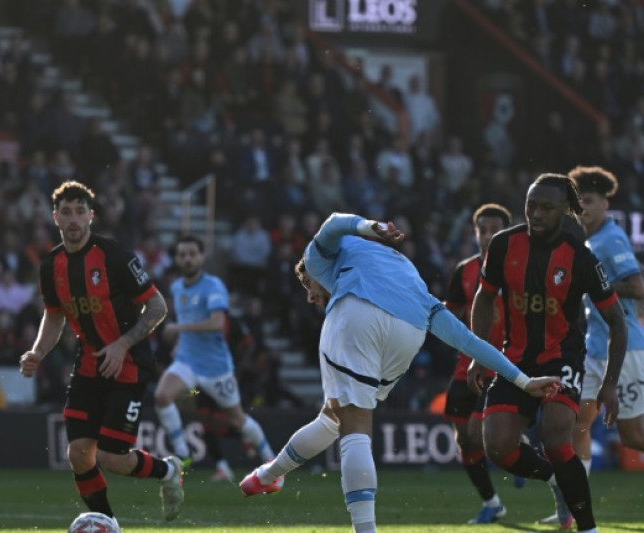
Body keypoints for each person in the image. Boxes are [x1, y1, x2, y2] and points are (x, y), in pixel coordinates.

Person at [239, 212, 561, 533]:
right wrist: (522, 380)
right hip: (408, 335)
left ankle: (364, 529)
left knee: (353, 422)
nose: (311, 297)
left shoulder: (324, 257)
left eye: (308, 285)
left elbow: (335, 221)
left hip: (359, 312)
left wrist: (369, 227)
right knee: (334, 417)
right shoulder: (408, 272)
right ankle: (270, 475)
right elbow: (468, 340)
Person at [468, 173, 628, 533]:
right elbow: (484, 297)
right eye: (530, 206)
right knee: (498, 448)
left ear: (564, 211)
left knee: (557, 436)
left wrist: (610, 384)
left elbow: (617, 321)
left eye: (546, 208)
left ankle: (588, 528)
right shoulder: (503, 245)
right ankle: (557, 478)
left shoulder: (580, 257)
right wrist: (479, 353)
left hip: (562, 357)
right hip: (515, 359)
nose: (536, 214)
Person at [19, 181, 184, 522]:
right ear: (56, 218)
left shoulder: (115, 257)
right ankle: (108, 525)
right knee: (79, 454)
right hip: (89, 364)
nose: (74, 219)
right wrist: (37, 352)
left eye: (80, 211)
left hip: (130, 363)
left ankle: (168, 471)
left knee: (110, 457)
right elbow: (53, 316)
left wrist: (122, 344)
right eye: (67, 212)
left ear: (91, 216)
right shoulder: (51, 266)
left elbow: (157, 307)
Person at [530, 166, 644, 525]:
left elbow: (637, 287)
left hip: (624, 349)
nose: (585, 209)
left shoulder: (611, 239)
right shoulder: (590, 243)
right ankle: (572, 505)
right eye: (580, 204)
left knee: (632, 436)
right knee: (576, 424)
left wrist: (593, 285)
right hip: (595, 349)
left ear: (606, 202)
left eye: (591, 202)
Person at [154, 235, 274, 470]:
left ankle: (270, 459)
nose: (187, 259)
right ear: (176, 259)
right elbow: (189, 319)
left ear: (201, 257)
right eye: (182, 255)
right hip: (187, 362)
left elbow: (216, 323)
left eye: (192, 254)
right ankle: (181, 453)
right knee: (162, 395)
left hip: (216, 368)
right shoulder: (177, 287)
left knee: (237, 419)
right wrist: (181, 341)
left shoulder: (213, 286)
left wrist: (179, 328)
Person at [441, 204, 515, 524]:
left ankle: (519, 443)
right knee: (463, 438)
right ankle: (492, 503)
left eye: (494, 230)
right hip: (466, 364)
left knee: (476, 430)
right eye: (481, 230)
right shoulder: (465, 270)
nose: (487, 237)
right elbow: (452, 310)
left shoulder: (517, 270)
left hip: (501, 364)